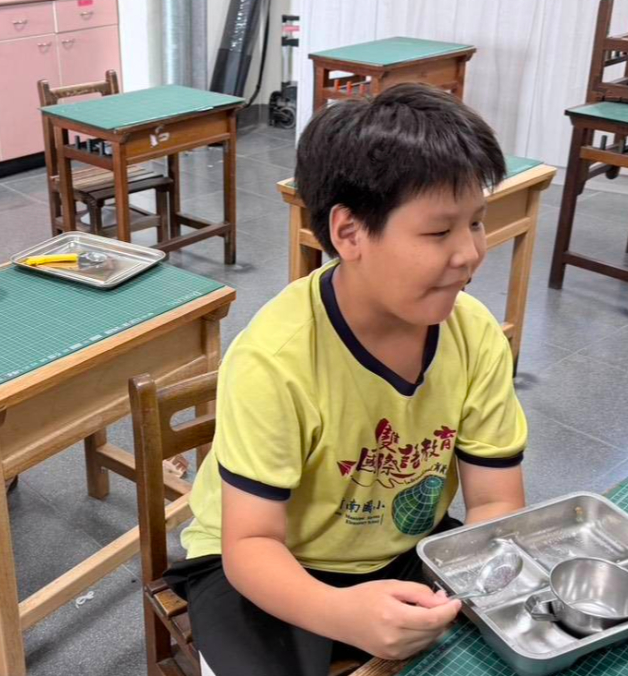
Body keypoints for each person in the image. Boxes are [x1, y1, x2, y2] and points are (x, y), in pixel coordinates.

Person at [167, 84, 529, 675]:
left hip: (406, 549)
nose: (469, 253)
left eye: (477, 223)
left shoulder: (474, 335)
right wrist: (343, 614)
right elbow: (250, 544)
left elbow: (496, 501)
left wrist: (469, 580)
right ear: (350, 233)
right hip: (270, 562)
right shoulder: (276, 360)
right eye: (439, 232)